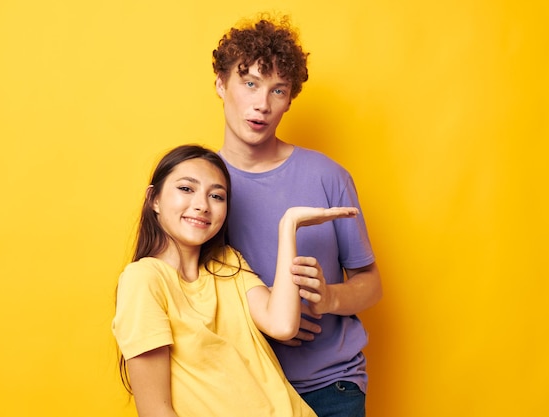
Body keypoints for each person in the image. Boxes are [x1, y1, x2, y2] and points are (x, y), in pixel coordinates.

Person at [212, 14, 383, 417]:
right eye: (249, 83)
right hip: (241, 389)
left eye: (278, 90)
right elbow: (185, 292)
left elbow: (370, 284)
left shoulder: (327, 175)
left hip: (330, 386)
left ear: (289, 100)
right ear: (221, 85)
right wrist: (266, 321)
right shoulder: (201, 190)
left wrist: (327, 298)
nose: (261, 104)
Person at [112, 144, 360, 417]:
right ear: (154, 200)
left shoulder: (226, 262)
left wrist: (288, 225)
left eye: (216, 196)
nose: (202, 205)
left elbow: (282, 325)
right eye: (186, 189)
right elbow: (155, 410)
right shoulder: (144, 279)